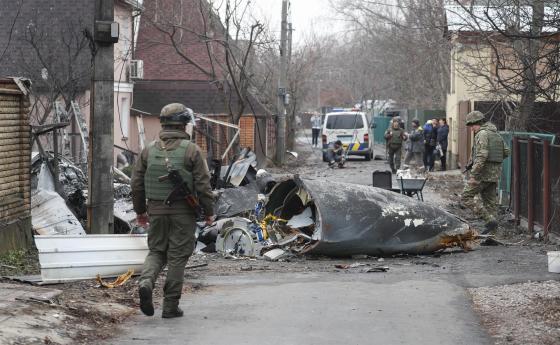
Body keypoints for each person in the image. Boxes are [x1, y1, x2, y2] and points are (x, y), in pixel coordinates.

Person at [131, 103, 215, 319]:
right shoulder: (192, 150)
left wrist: (140, 211)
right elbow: (204, 185)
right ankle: (170, 307)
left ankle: (146, 282)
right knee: (177, 257)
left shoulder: (148, 150)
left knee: (157, 251)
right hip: (183, 213)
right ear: (183, 125)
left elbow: (136, 184)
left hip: (155, 211)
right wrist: (209, 212)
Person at [461, 111, 509, 233]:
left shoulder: (482, 134)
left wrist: (474, 174)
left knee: (466, 197)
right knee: (490, 204)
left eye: (472, 126)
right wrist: (493, 164)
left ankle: (489, 220)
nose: (472, 129)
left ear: (478, 123)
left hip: (482, 174)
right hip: (494, 175)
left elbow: (482, 155)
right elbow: (506, 151)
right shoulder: (495, 134)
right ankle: (492, 237)